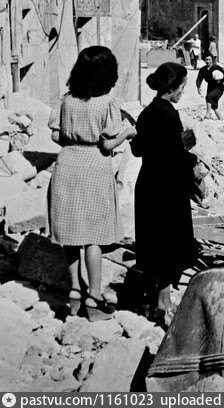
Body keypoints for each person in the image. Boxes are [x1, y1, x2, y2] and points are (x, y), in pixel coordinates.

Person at [48, 46, 136, 321]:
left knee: (70, 235)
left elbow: (55, 136)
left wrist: (74, 138)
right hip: (94, 166)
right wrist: (128, 132)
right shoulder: (107, 102)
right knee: (93, 237)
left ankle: (75, 291)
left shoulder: (66, 100)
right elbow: (108, 143)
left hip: (66, 165)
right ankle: (94, 298)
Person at [131, 62, 199, 319]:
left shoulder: (147, 112)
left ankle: (154, 298)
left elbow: (137, 149)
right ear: (172, 88)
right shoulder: (169, 115)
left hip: (148, 183)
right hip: (168, 187)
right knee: (169, 243)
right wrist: (194, 163)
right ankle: (164, 301)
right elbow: (175, 156)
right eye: (182, 87)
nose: (183, 92)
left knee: (152, 241)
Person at [196, 54, 224, 123]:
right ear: (204, 60)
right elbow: (199, 79)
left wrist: (220, 80)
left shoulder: (217, 67)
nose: (208, 61)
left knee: (209, 97)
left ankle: (207, 115)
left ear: (212, 60)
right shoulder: (203, 69)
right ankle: (222, 120)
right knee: (214, 106)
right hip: (210, 87)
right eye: (206, 60)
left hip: (218, 87)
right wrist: (198, 87)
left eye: (209, 59)